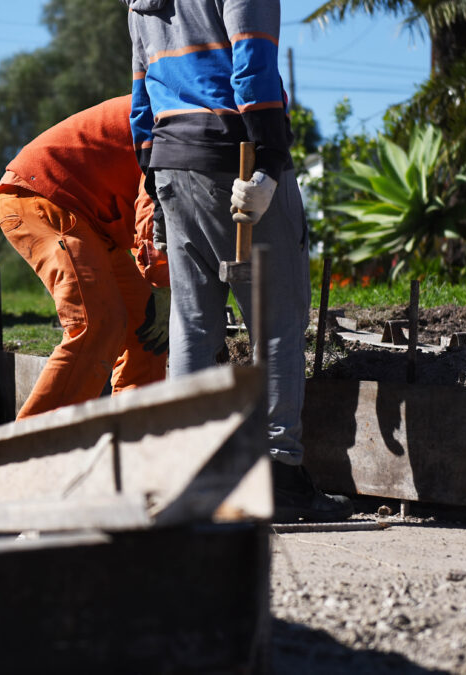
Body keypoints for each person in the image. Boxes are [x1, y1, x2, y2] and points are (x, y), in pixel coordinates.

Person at [122, 0, 352, 521]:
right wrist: (270, 161)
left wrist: (154, 186)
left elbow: (141, 93)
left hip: (170, 161)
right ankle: (280, 478)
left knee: (192, 324)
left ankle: (185, 475)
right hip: (235, 156)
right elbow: (251, 61)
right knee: (276, 318)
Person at [0, 96, 169, 419]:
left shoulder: (195, 109)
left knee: (148, 326)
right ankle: (32, 449)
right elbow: (153, 205)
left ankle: (135, 441)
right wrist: (161, 281)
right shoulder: (176, 115)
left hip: (93, 222)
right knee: (97, 322)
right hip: (42, 196)